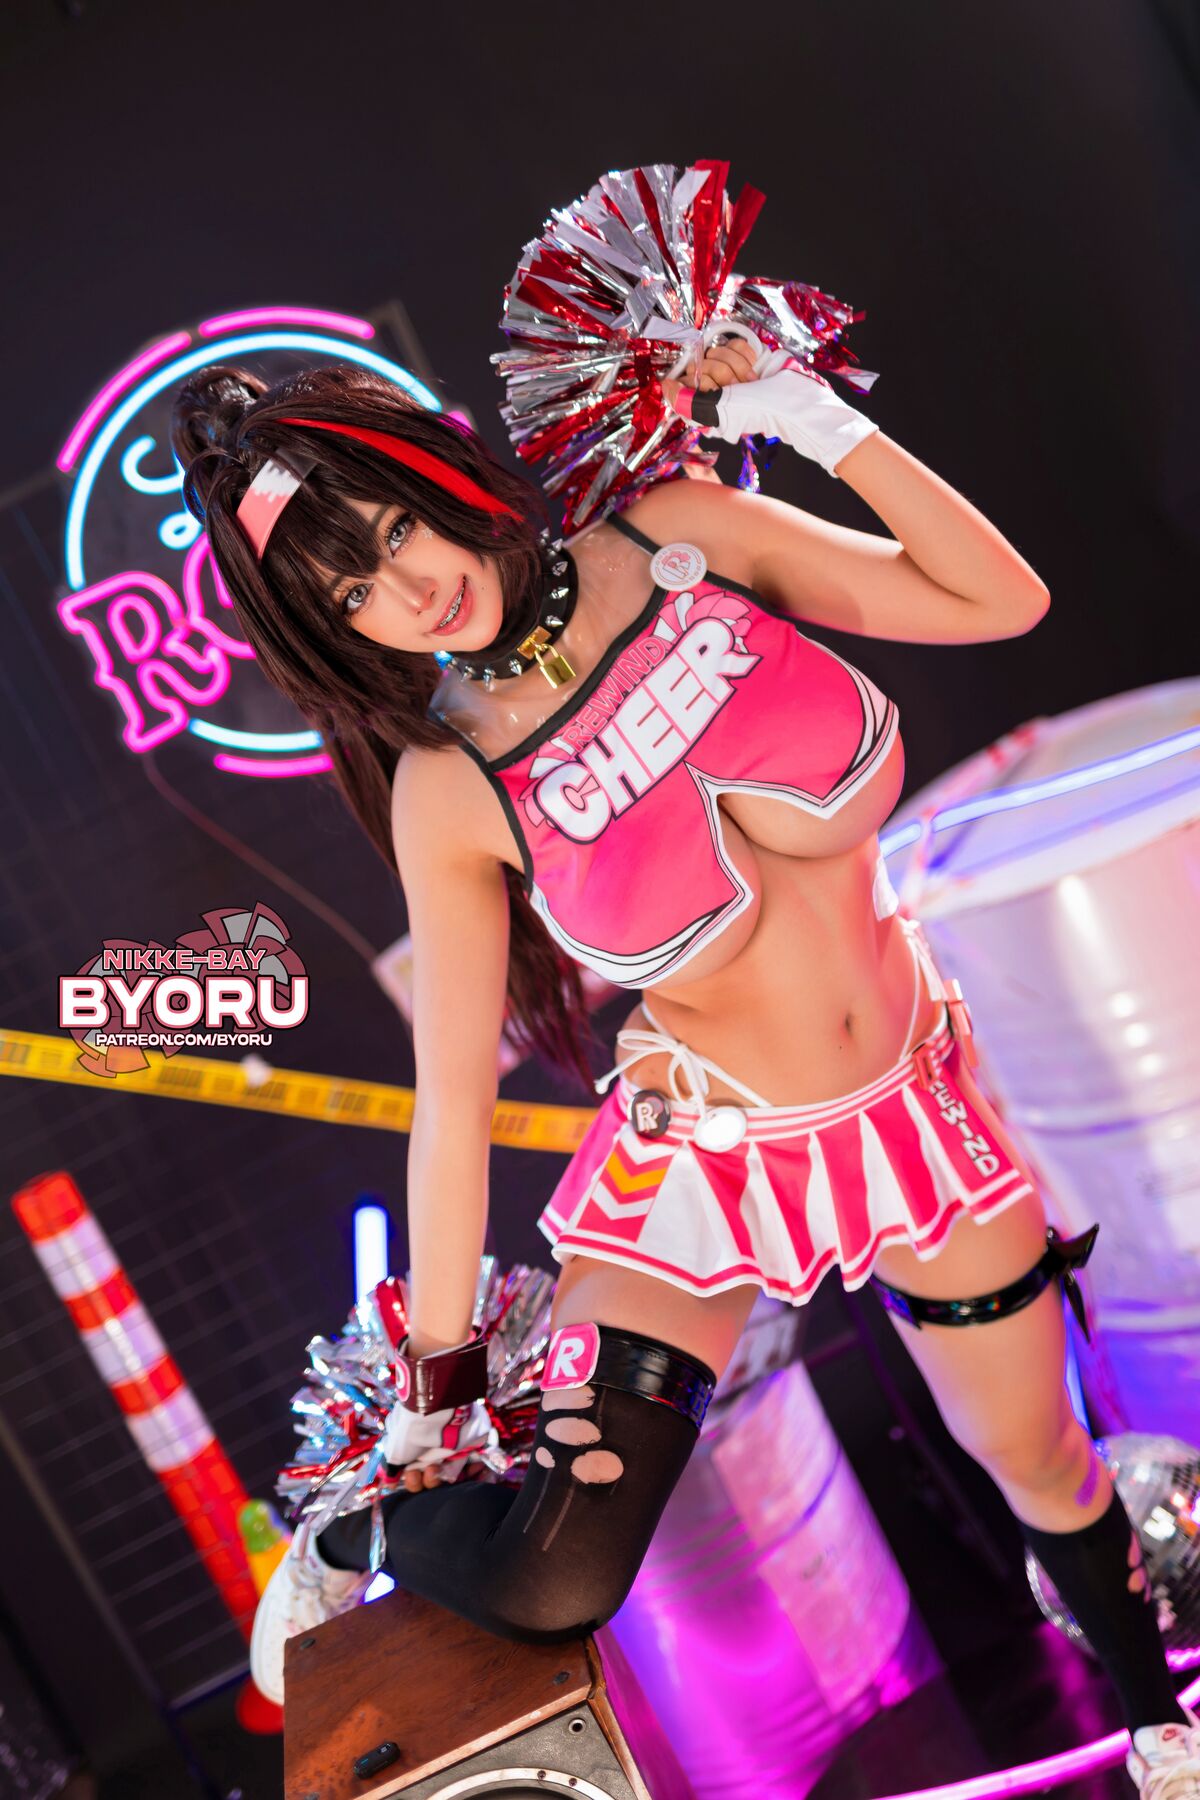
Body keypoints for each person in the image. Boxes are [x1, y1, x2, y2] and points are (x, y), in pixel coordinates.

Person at [171, 343, 1197, 1792]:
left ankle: (1164, 1734)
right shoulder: (450, 788)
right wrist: (435, 1391)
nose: (411, 590)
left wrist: (815, 421)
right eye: (356, 594)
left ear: (439, 475)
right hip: (700, 1160)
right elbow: (453, 1104)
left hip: (907, 1112)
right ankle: (353, 1529)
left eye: (398, 530)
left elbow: (999, 598)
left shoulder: (674, 539)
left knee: (1044, 1465)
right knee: (557, 1578)